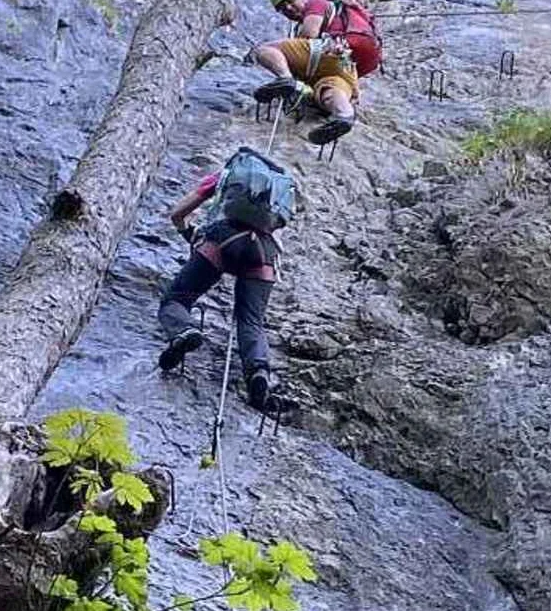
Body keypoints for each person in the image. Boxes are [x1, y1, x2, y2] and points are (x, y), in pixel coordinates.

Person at [157, 147, 296, 411]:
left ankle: (184, 331)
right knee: (251, 320)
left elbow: (178, 214)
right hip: (263, 252)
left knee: (176, 299)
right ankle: (258, 372)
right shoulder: (280, 192)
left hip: (223, 239)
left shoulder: (227, 175)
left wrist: (189, 233)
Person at [251, 0, 383, 145]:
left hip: (324, 52)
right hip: (346, 66)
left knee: (264, 50)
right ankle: (344, 115)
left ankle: (286, 79)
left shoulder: (316, 3)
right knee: (329, 92)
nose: (288, 8)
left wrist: (293, 63)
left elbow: (309, 34)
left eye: (290, 1)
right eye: (282, 8)